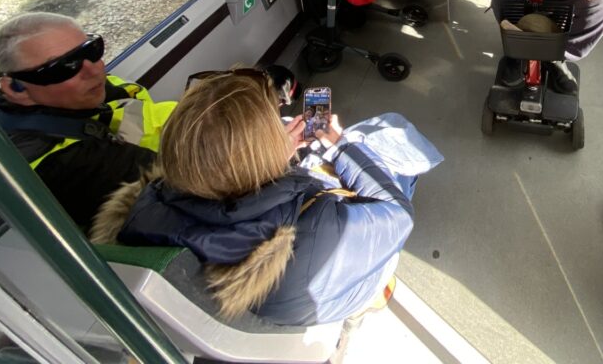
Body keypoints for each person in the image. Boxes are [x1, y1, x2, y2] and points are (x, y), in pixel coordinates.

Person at [91, 70, 441, 326]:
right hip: (314, 296)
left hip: (260, 294)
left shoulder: (148, 204)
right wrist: (339, 145)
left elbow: (226, 196)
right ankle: (373, 292)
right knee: (394, 137)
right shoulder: (316, 228)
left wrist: (272, 157)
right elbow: (397, 212)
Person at [0, 12, 176, 231]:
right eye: (64, 66)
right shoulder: (68, 166)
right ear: (16, 89)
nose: (95, 69)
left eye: (91, 50)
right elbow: (189, 184)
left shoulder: (80, 93)